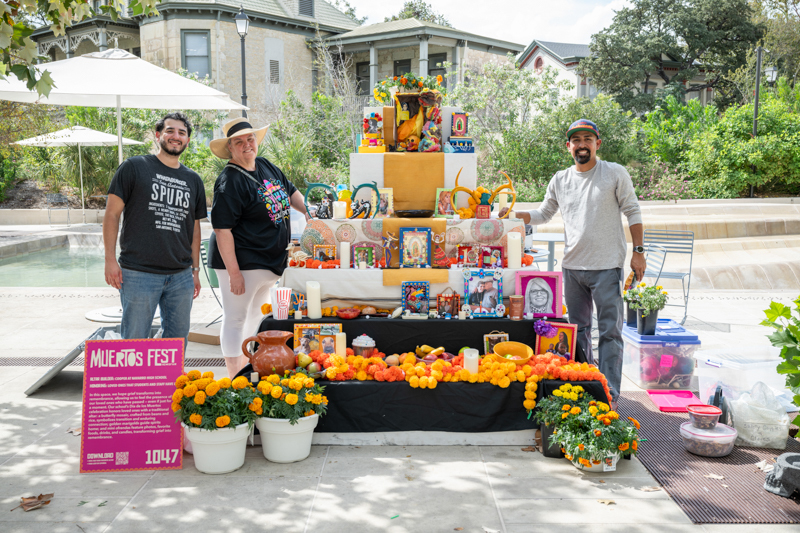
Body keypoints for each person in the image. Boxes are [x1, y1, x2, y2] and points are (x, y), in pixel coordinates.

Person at [502, 119, 645, 406]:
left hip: (607, 267)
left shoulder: (614, 173)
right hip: (573, 268)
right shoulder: (560, 179)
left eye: (587, 139)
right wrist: (515, 215)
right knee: (578, 332)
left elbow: (633, 210)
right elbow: (544, 213)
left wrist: (639, 252)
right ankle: (587, 383)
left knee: (609, 333)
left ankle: (609, 393)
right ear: (568, 146)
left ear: (597, 144)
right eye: (576, 140)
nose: (582, 144)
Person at [207, 118, 308, 378]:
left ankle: (249, 369)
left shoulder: (264, 165)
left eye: (249, 139)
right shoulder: (229, 181)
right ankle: (234, 376)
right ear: (230, 148)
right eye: (238, 142)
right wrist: (234, 273)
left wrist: (310, 213)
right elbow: (222, 230)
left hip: (268, 261)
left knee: (256, 318)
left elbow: (291, 190)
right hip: (242, 261)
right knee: (235, 318)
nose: (246, 145)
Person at [103, 112, 206, 343]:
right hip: (139, 272)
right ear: (159, 135)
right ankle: (133, 381)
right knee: (134, 340)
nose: (176, 136)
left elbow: (195, 228)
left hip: (180, 276)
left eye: (182, 132)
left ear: (187, 140)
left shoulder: (193, 179)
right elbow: (112, 214)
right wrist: (110, 259)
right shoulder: (134, 167)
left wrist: (195, 271)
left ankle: (172, 382)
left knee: (177, 341)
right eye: (170, 130)